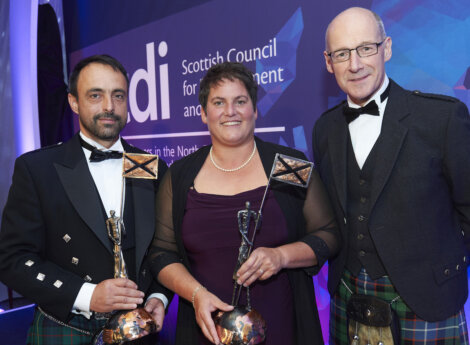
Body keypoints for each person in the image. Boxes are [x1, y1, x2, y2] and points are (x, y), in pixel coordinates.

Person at [147, 61, 340, 345]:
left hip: (282, 327)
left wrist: (281, 256)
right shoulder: (179, 175)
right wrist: (196, 295)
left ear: (254, 109)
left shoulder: (289, 165)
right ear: (203, 113)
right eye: (219, 102)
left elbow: (329, 234)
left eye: (240, 101)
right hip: (206, 331)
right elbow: (162, 253)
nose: (230, 112)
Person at [312, 7, 470, 344]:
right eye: (342, 54)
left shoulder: (441, 117)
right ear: (328, 62)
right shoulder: (324, 128)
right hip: (347, 294)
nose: (355, 64)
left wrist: (440, 271)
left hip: (427, 300)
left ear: (387, 48)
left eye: (366, 48)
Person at [0, 55, 170, 344]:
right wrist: (87, 295)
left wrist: (159, 295)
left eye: (118, 95)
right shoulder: (37, 169)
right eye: (96, 95)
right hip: (65, 327)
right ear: (74, 102)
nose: (109, 106)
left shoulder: (150, 166)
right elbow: (12, 259)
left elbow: (165, 246)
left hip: (138, 331)